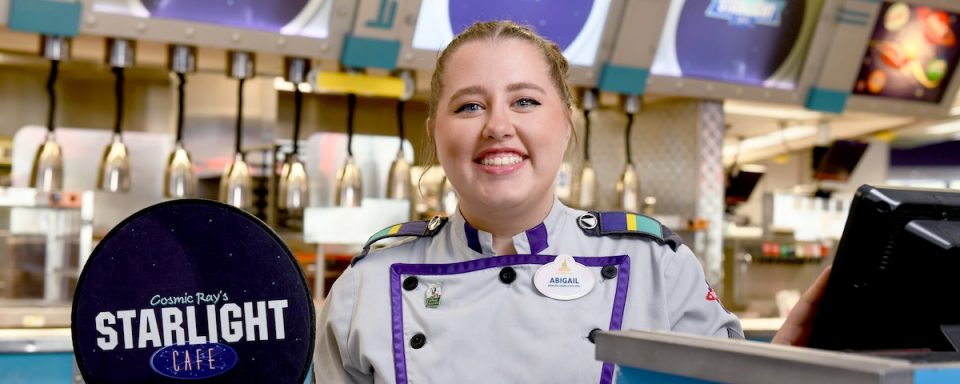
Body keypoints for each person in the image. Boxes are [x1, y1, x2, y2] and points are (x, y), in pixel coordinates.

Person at [314, 20, 828, 383]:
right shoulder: (367, 285)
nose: (497, 126)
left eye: (525, 101)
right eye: (470, 105)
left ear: (566, 124)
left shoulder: (656, 267)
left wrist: (780, 371)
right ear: (435, 134)